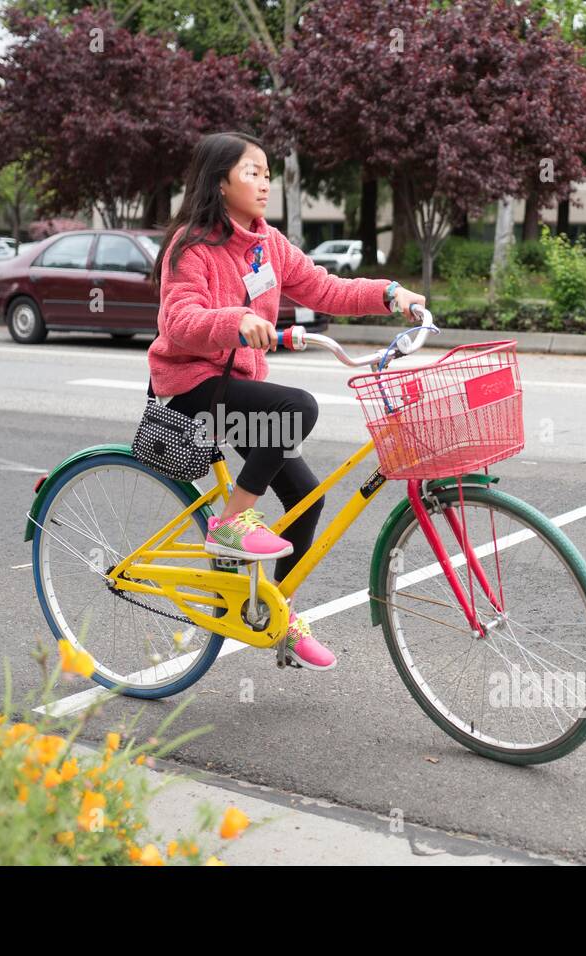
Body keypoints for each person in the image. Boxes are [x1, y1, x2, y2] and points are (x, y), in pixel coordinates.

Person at [148, 131, 425, 672]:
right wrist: (237, 320)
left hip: (235, 386)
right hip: (191, 387)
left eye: (267, 172)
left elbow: (326, 289)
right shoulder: (191, 246)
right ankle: (232, 521)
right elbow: (178, 322)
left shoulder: (266, 243)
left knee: (306, 495)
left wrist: (390, 293)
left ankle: (275, 614)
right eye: (251, 171)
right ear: (219, 180)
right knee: (296, 407)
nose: (264, 182)